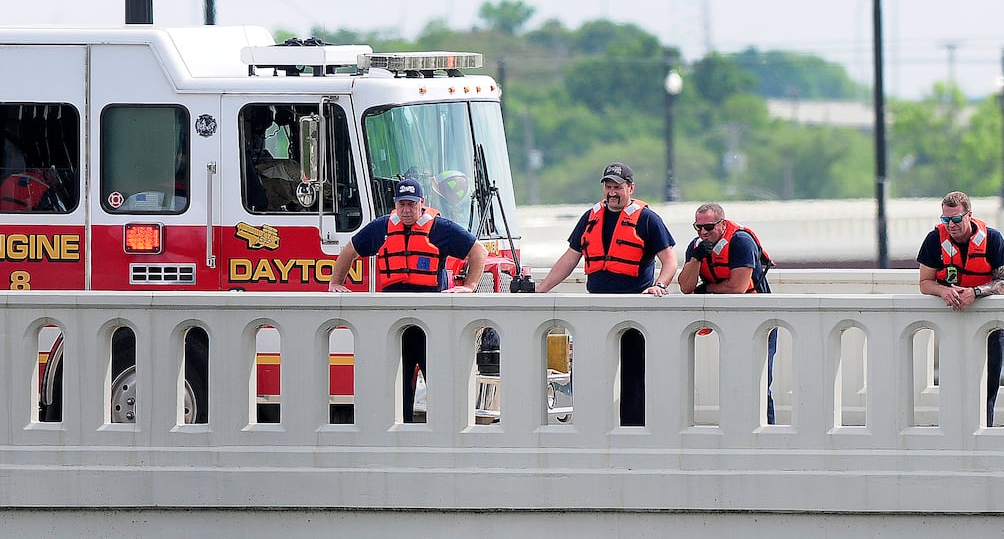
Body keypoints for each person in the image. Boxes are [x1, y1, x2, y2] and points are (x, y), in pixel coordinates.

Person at [524, 162, 677, 426]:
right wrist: (541, 289)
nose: (612, 192)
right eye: (608, 186)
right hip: (596, 307)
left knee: (634, 374)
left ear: (631, 188)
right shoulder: (590, 217)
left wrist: (660, 286)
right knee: (588, 369)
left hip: (633, 308)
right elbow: (569, 259)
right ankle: (590, 426)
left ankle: (633, 430)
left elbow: (670, 260)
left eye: (618, 187)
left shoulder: (648, 219)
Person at [329, 174, 488, 422]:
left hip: (429, 320)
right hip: (394, 320)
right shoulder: (381, 228)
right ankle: (399, 431)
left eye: (411, 204)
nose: (406, 210)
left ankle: (444, 430)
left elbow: (478, 251)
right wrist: (336, 283)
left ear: (421, 203)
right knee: (397, 382)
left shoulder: (439, 228)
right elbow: (349, 251)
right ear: (395, 204)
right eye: (402, 204)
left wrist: (470, 286)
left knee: (439, 379)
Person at [918, 191, 1004, 424]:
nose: (951, 225)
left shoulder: (993, 239)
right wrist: (944, 291)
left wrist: (976, 292)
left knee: (989, 383)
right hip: (953, 321)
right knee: (954, 380)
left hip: (991, 324)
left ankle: (985, 429)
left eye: (956, 219)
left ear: (969, 215)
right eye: (945, 220)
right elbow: (924, 283)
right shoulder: (934, 240)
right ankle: (954, 431)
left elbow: (1003, 283)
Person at [678, 203, 779, 423]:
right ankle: (737, 428)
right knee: (732, 379)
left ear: (723, 224)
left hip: (758, 320)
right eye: (698, 227)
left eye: (709, 227)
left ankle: (767, 430)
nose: (703, 233)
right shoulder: (696, 246)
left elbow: (737, 287)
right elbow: (685, 287)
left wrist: (707, 289)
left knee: (759, 381)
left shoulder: (741, 242)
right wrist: (695, 259)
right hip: (726, 322)